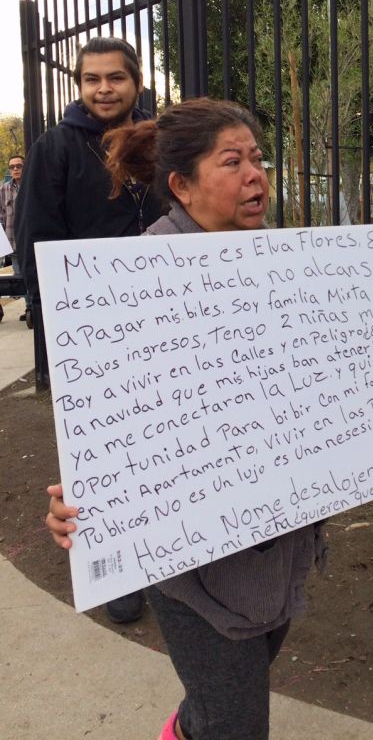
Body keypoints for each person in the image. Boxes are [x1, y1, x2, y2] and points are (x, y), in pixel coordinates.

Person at [45, 96, 373, 740]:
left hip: (280, 546)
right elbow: (110, 413)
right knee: (238, 723)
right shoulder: (133, 280)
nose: (256, 175)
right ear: (182, 184)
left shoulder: (287, 269)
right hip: (190, 569)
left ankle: (190, 726)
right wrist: (84, 500)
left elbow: (329, 391)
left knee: (227, 698)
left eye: (257, 158)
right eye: (232, 162)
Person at [17, 36, 164, 625]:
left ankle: (166, 549)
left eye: (115, 78)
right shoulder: (56, 147)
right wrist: (63, 322)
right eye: (91, 79)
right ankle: (118, 566)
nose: (103, 88)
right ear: (80, 87)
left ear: (135, 82)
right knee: (99, 452)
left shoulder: (163, 140)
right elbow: (34, 240)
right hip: (92, 331)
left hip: (163, 320)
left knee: (161, 440)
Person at [0, 154, 30, 320]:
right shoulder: (3, 190)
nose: (16, 169)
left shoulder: (33, 186)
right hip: (14, 243)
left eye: (19, 166)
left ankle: (34, 307)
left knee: (33, 276)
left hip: (31, 241)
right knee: (20, 278)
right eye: (12, 167)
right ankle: (29, 309)